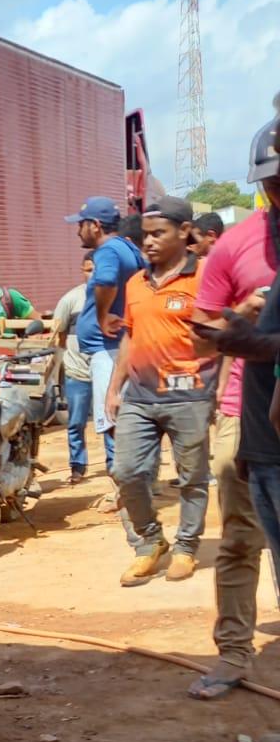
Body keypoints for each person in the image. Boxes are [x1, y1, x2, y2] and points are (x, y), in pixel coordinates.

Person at [185, 117, 280, 700]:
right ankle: (235, 653)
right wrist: (241, 311)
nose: (278, 191)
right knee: (242, 539)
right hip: (245, 412)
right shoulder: (235, 245)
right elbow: (199, 340)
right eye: (271, 181)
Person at [106, 196, 217, 586]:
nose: (148, 242)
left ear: (184, 232)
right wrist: (113, 388)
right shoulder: (136, 282)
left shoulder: (205, 275)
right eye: (144, 236)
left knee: (192, 478)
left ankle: (186, 547)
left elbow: (221, 334)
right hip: (140, 396)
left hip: (190, 394)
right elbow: (129, 337)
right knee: (126, 471)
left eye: (158, 234)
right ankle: (151, 542)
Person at [65, 197, 144, 479]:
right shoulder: (126, 246)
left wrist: (101, 316)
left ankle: (127, 488)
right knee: (120, 419)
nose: (78, 231)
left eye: (81, 225)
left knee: (113, 420)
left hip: (108, 349)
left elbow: (107, 281)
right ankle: (133, 484)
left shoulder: (107, 251)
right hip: (117, 348)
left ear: (96, 226)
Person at [51, 255, 112, 482]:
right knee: (75, 422)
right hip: (77, 373)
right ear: (81, 270)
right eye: (88, 270)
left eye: (96, 269)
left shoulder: (113, 296)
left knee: (109, 420)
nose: (92, 274)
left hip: (105, 371)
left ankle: (113, 464)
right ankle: (77, 467)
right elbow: (59, 335)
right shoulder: (70, 300)